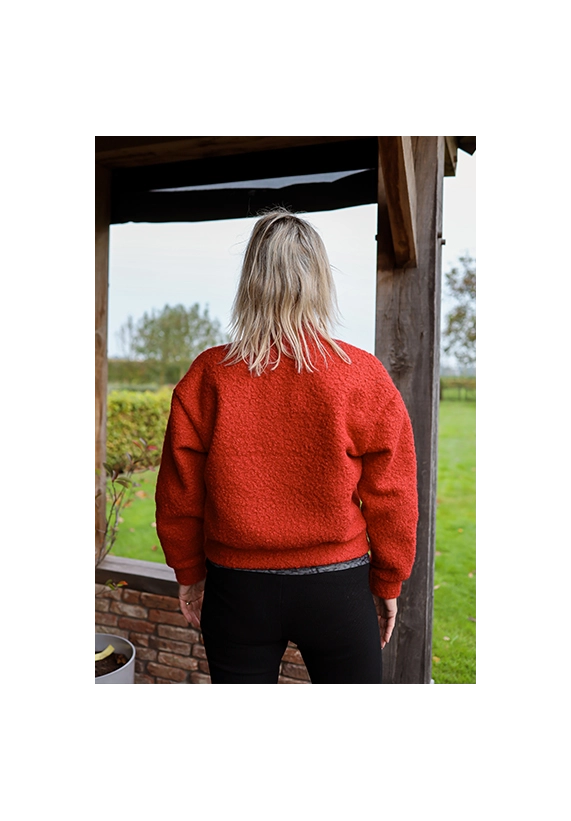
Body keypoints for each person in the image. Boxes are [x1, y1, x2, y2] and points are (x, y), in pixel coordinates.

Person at [155, 206, 418, 687]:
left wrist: (189, 573)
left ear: (250, 281)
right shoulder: (361, 375)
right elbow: (394, 493)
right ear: (320, 281)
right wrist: (388, 580)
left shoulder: (209, 375)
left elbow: (178, 493)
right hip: (338, 588)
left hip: (237, 589)